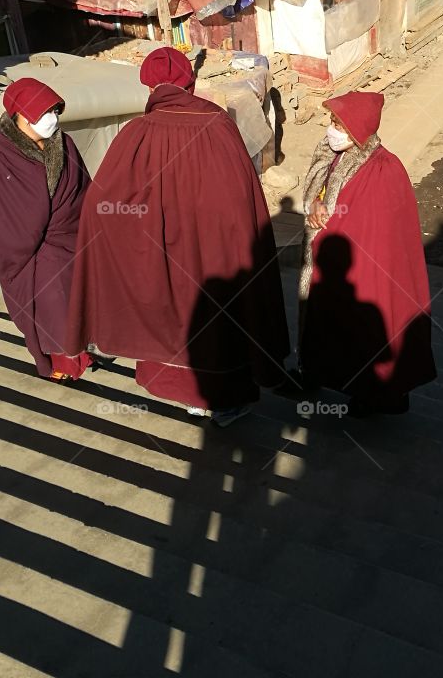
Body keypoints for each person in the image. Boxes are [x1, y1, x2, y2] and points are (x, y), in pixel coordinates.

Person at [65, 47, 288, 427]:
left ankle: (186, 397)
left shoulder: (137, 132)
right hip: (214, 250)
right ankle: (222, 403)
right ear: (191, 81)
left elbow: (101, 203)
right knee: (219, 320)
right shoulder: (218, 125)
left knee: (171, 312)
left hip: (161, 249)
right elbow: (241, 196)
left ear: (149, 87)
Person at [298, 90, 436, 417]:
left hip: (367, 271)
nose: (330, 129)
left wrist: (326, 226)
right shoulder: (331, 153)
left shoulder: (383, 170)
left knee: (369, 334)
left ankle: (375, 395)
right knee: (329, 327)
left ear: (359, 128)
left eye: (338, 124)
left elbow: (373, 230)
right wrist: (314, 206)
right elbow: (319, 190)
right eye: (331, 121)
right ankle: (316, 373)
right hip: (329, 263)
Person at [0, 78, 94, 382]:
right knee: (51, 307)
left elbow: (83, 189)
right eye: (42, 114)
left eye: (55, 112)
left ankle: (82, 353)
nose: (51, 120)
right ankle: (63, 364)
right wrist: (26, 237)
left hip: (69, 237)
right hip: (27, 252)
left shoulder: (65, 145)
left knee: (78, 303)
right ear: (18, 116)